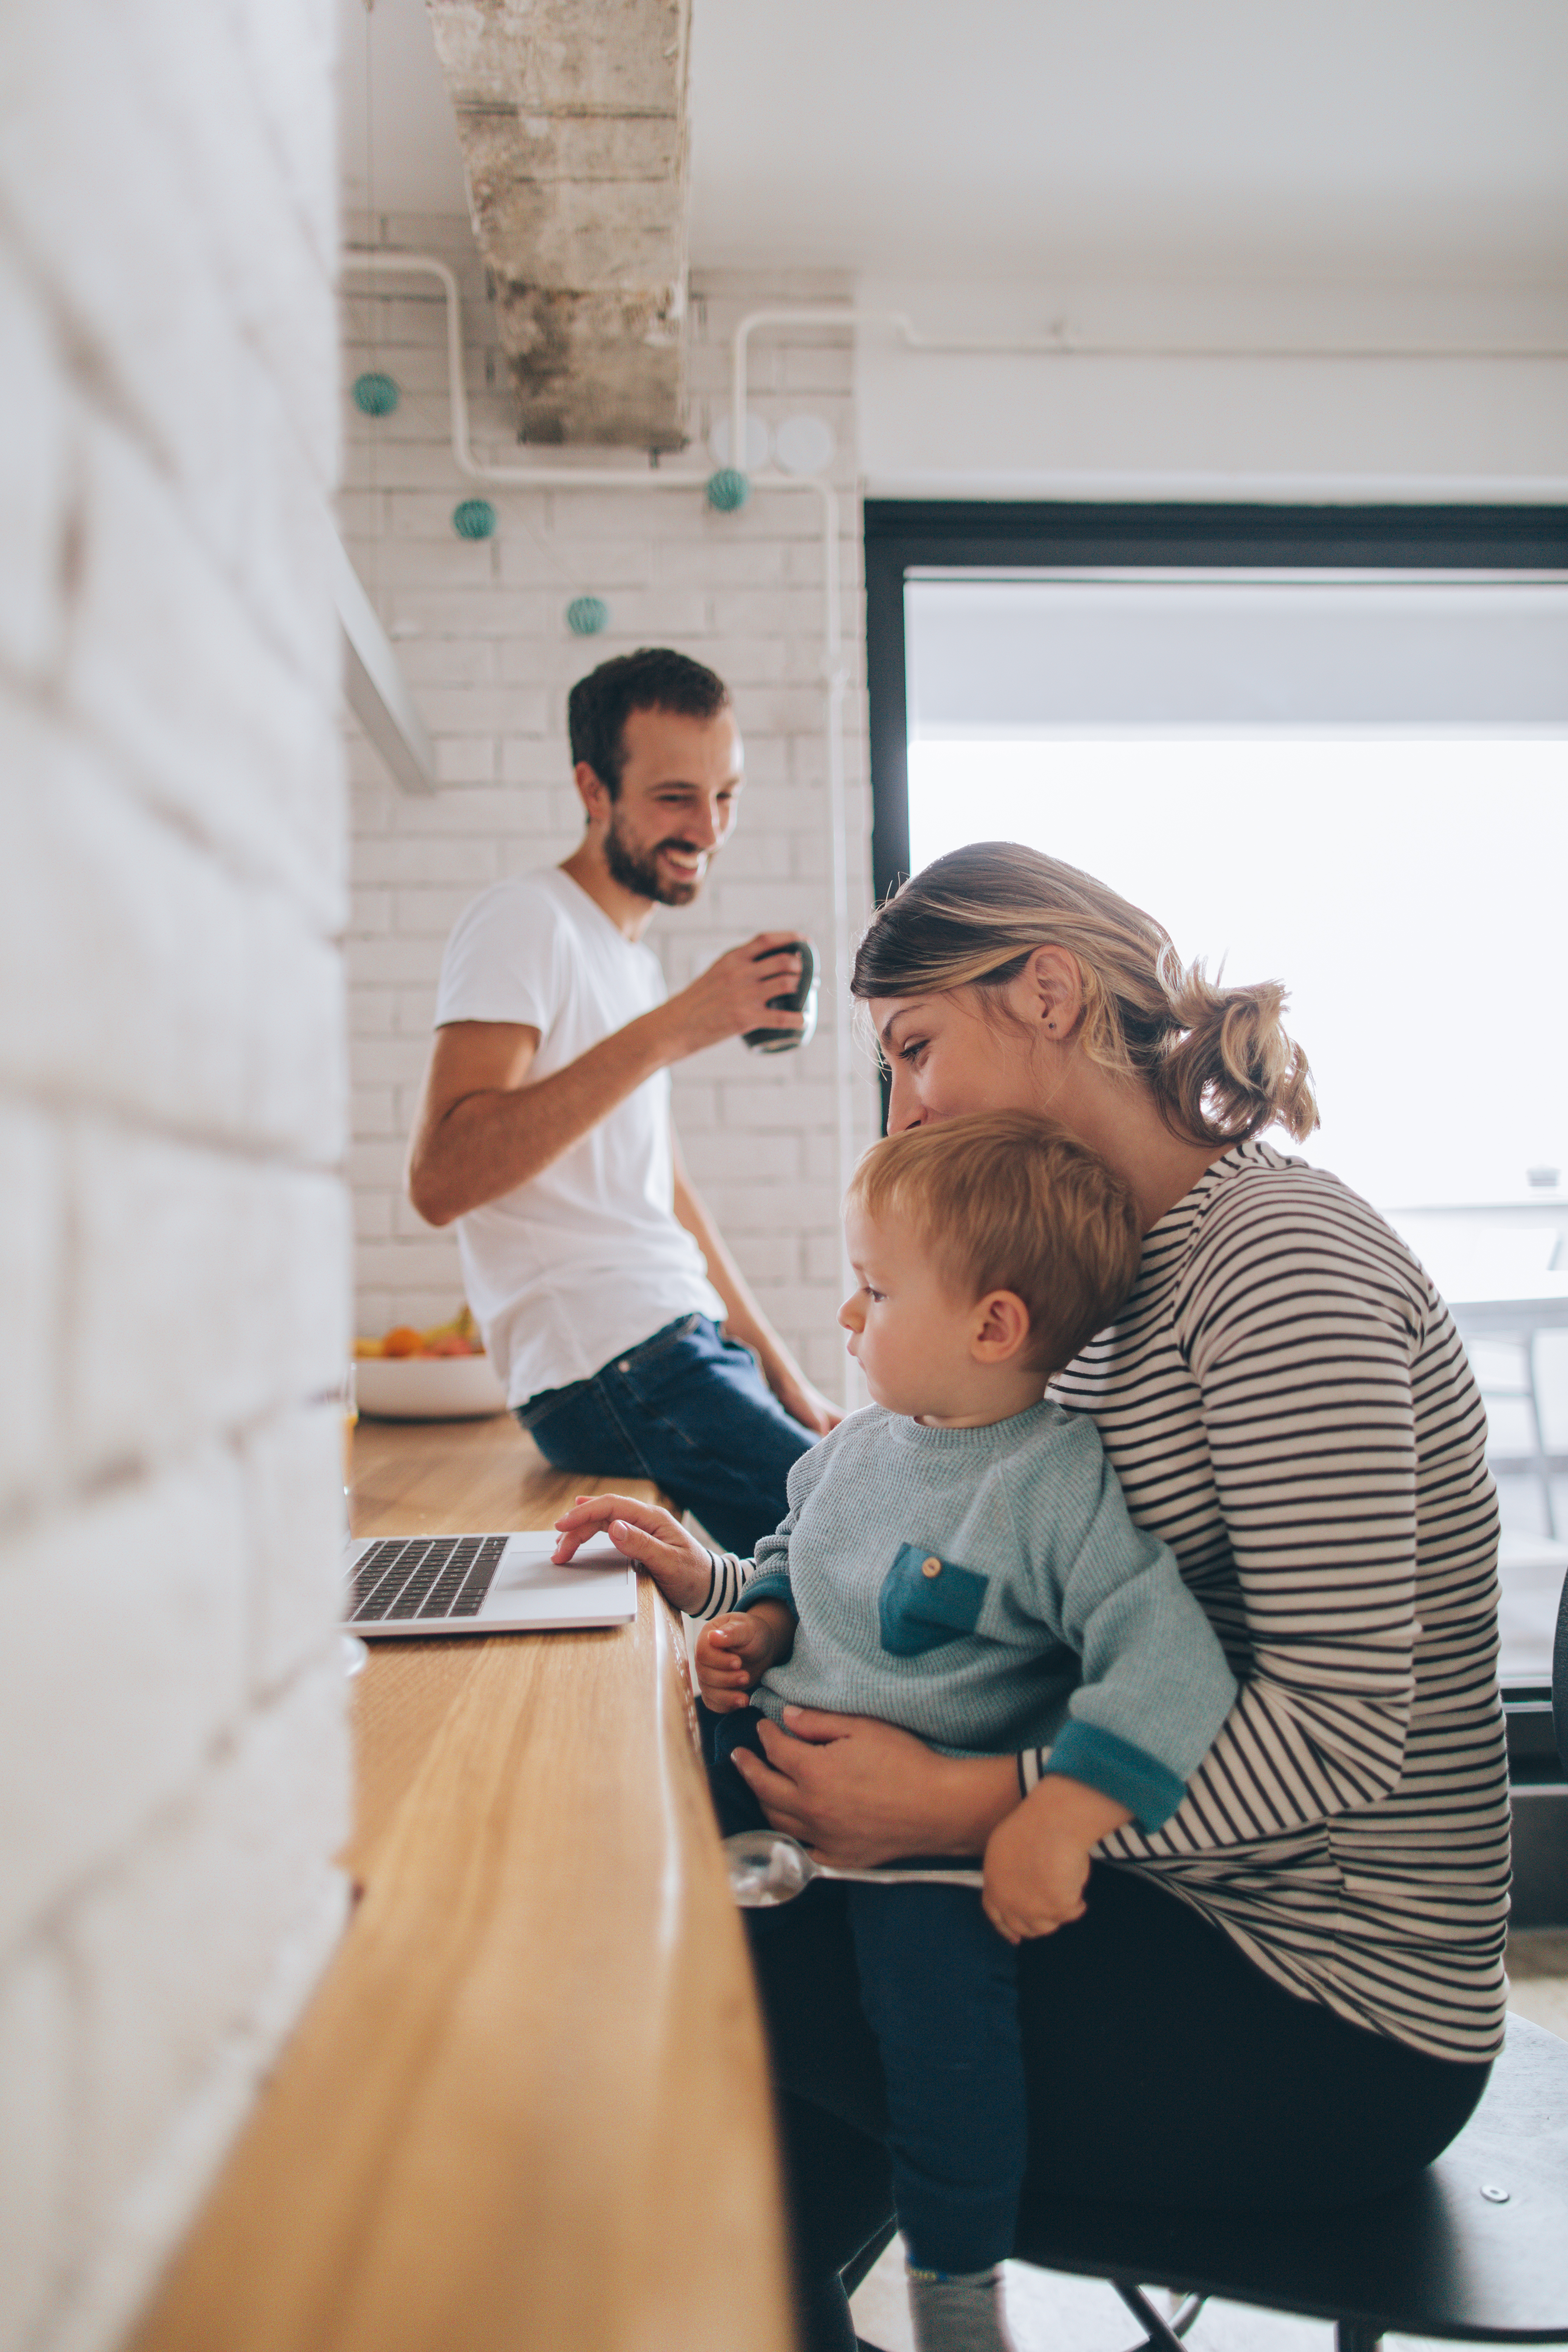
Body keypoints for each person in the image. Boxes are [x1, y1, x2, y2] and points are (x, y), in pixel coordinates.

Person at [556, 841, 1512, 2352]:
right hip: (1167, 1896)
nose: (908, 1106)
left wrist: (967, 1804)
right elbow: (978, 1594)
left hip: (1326, 2015)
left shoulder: (1278, 1269)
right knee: (704, 1884)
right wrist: (740, 1587)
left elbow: (1339, 1743)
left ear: (1049, 992)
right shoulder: (1109, 1291)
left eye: (915, 1049)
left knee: (660, 1939)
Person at [702, 1112, 1236, 2352]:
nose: (847, 1318)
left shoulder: (1050, 1485)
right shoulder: (860, 1448)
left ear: (994, 1327)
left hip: (923, 1863)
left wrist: (1059, 1817)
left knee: (943, 2052)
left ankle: (955, 2294)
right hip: (765, 1789)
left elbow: (1171, 1663)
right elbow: (794, 1557)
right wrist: (763, 1620)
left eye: (875, 1291)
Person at [405, 648, 839, 1555]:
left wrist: (779, 1367)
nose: (711, 829)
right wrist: (679, 1027)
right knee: (862, 1547)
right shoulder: (526, 919)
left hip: (679, 1343)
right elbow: (443, 1177)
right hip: (609, 1358)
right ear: (593, 790)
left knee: (856, 1522)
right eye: (676, 797)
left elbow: (663, 1197)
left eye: (727, 795)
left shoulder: (632, 962)